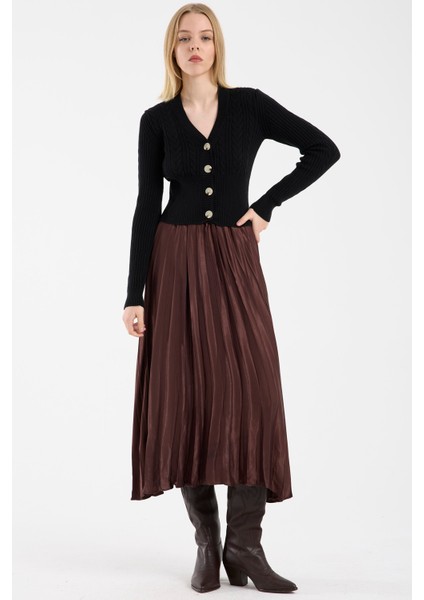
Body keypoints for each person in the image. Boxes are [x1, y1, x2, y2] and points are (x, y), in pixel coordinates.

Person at [122, 3, 341, 594]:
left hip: (234, 255)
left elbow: (323, 149)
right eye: (184, 38)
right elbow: (146, 206)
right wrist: (134, 293)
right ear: (172, 49)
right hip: (173, 260)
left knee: (252, 389)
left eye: (205, 37)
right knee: (186, 394)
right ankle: (207, 543)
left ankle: (245, 545)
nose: (195, 46)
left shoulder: (249, 105)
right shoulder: (156, 120)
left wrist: (266, 205)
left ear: (217, 46)